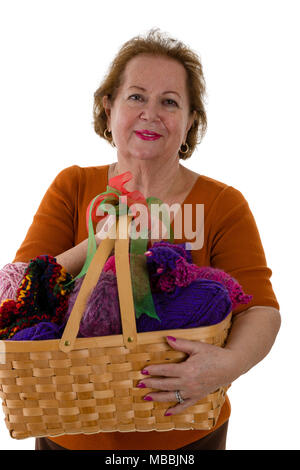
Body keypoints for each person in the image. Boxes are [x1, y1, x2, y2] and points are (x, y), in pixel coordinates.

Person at [12, 29, 280, 450]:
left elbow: (261, 309)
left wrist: (227, 365)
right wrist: (99, 241)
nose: (150, 113)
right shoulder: (74, 187)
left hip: (186, 438)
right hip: (70, 436)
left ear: (191, 120)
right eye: (136, 96)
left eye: (169, 102)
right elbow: (19, 291)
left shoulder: (223, 203)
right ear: (109, 106)